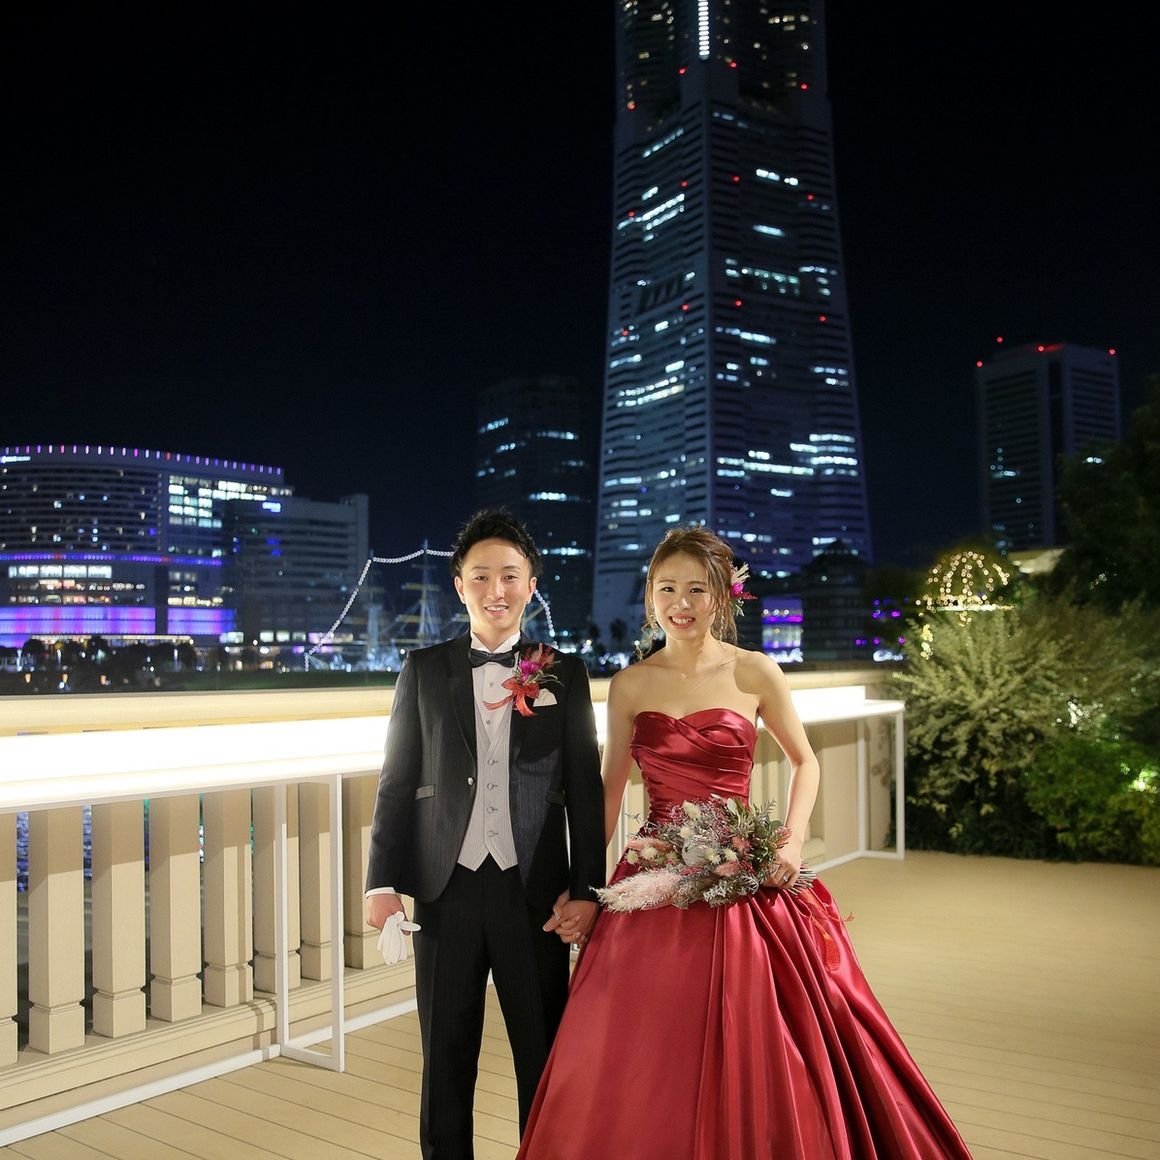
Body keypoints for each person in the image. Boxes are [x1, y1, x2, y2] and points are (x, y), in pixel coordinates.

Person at [516, 526, 974, 1159]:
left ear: (722, 596)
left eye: (696, 590)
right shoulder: (629, 685)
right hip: (652, 870)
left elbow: (806, 762)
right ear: (649, 596)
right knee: (640, 1036)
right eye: (666, 588)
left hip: (741, 867)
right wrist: (588, 888)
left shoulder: (755, 670)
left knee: (762, 1024)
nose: (680, 603)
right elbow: (609, 794)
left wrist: (791, 842)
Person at [364, 508, 605, 1160]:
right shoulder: (423, 670)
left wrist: (588, 889)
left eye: (509, 576)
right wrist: (380, 882)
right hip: (445, 891)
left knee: (544, 1058)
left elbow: (586, 791)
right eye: (480, 576)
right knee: (445, 1060)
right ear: (459, 585)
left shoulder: (565, 674)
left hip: (537, 895)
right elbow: (396, 783)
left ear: (532, 585)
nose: (496, 590)